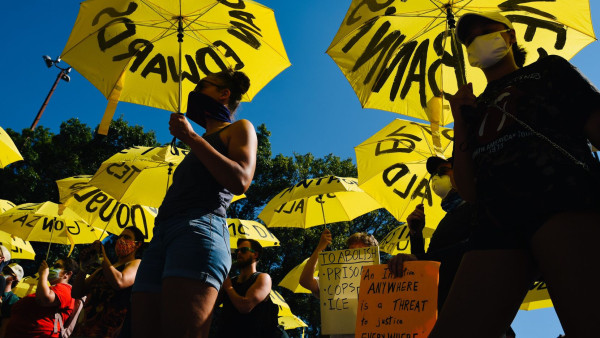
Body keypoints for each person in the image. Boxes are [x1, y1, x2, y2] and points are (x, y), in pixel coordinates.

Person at [429, 12, 600, 337]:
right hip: (495, 224)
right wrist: (461, 123)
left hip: (563, 202)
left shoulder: (550, 70)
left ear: (509, 36)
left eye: (487, 31)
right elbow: (468, 191)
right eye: (469, 39)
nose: (479, 40)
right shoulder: (472, 107)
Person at [131, 69, 257, 338]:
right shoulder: (197, 145)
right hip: (162, 236)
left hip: (200, 230)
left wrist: (192, 137)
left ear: (224, 94)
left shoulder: (240, 128)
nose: (195, 92)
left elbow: (241, 181)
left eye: (202, 86)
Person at [72, 226, 144, 337]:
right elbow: (76, 292)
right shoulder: (103, 269)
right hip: (83, 329)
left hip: (107, 331)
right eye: (120, 236)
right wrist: (84, 267)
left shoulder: (136, 263)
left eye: (127, 237)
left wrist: (102, 255)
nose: (121, 240)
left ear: (137, 244)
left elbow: (120, 282)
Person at [216, 239, 283, 338]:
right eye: (237, 251)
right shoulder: (231, 281)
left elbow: (246, 306)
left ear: (255, 254)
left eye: (243, 250)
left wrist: (228, 287)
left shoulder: (263, 278)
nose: (238, 253)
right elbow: (213, 304)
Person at [5, 257, 79, 338]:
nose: (50, 268)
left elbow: (44, 299)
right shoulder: (52, 288)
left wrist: (43, 275)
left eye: (57, 266)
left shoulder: (66, 289)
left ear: (67, 274)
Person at [300, 230, 379, 298]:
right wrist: (319, 248)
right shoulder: (335, 279)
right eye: (352, 250)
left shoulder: (382, 280)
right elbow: (306, 281)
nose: (355, 255)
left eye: (361, 251)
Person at [0, 263, 24, 333]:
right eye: (3, 270)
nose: (2, 273)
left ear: (14, 278)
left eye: (7, 272)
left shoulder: (13, 299)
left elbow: (4, 327)